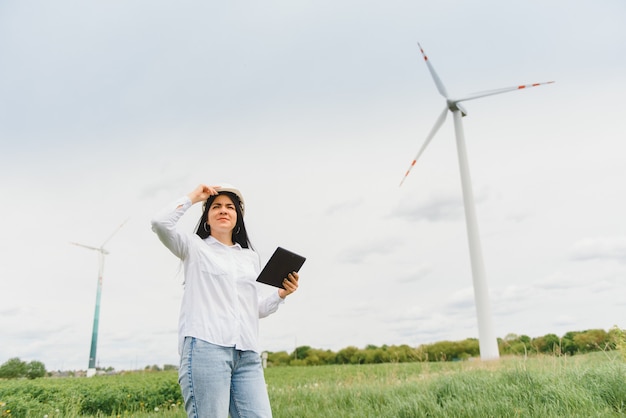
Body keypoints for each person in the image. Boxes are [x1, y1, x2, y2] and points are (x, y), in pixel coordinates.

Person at [151, 183, 299, 418]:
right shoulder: (193, 247)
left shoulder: (249, 258)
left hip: (247, 354)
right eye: (216, 206)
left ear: (237, 218)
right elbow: (160, 223)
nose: (223, 210)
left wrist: (280, 294)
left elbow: (251, 308)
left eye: (230, 207)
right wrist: (194, 197)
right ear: (207, 218)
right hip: (206, 349)